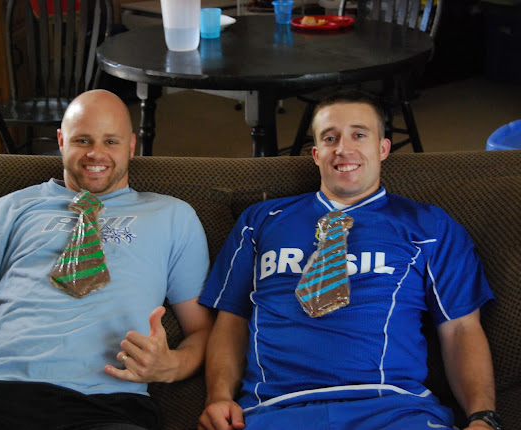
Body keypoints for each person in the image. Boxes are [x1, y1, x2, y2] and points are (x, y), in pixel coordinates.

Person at [0, 90, 213, 430]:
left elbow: (202, 329)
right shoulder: (11, 209)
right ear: (61, 141)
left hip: (106, 402)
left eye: (111, 141)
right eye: (82, 140)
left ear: (131, 146)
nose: (96, 154)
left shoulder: (172, 216)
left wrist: (172, 366)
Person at [198, 90, 500, 430]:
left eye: (359, 135)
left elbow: (460, 328)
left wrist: (482, 416)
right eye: (330, 138)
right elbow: (232, 319)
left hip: (393, 408)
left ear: (382, 148)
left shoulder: (429, 226)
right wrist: (218, 397)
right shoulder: (260, 220)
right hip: (274, 409)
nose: (343, 148)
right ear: (316, 154)